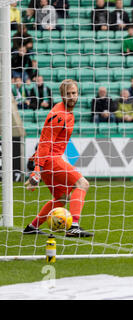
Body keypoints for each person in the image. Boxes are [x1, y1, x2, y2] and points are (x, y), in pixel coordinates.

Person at [23, 79, 93, 237]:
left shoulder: (66, 112)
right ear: (62, 95)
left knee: (62, 197)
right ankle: (74, 226)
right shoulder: (59, 115)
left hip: (50, 160)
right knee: (82, 184)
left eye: (74, 93)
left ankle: (32, 227)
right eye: (68, 94)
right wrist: (37, 170)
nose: (72, 97)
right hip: (50, 159)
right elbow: (44, 143)